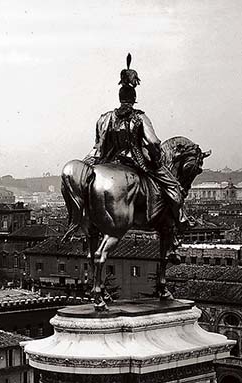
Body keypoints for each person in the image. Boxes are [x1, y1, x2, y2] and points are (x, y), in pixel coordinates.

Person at [87, 54, 188, 263]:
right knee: (173, 186)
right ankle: (181, 219)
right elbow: (153, 142)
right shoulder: (139, 116)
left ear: (120, 96)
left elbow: (99, 144)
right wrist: (157, 158)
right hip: (136, 161)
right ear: (133, 98)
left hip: (110, 161)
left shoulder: (105, 118)